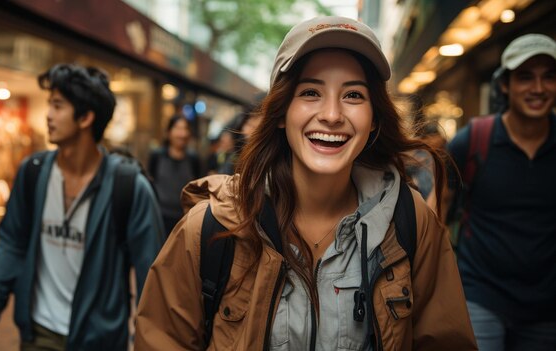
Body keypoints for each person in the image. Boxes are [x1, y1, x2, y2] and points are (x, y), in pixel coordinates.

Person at [135, 16, 476, 350]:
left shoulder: (411, 223)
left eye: (354, 95)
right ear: (282, 112)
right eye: (311, 91)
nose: (331, 114)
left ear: (374, 119)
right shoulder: (211, 227)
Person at [0, 64, 165, 350]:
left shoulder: (129, 187)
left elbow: (152, 273)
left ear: (86, 117)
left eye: (57, 106)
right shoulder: (32, 172)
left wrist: (149, 340)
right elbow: (12, 242)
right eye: (49, 104)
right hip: (38, 333)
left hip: (100, 339)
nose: (47, 115)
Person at [445, 33, 556, 350]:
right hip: (480, 295)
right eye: (525, 77)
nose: (538, 88)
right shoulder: (472, 141)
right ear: (505, 85)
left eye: (549, 77)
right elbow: (436, 211)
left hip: (547, 307)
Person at [148, 115, 201, 235]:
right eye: (178, 128)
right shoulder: (157, 155)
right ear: (169, 132)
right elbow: (151, 182)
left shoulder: (193, 159)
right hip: (160, 217)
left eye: (185, 129)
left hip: (185, 218)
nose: (182, 133)